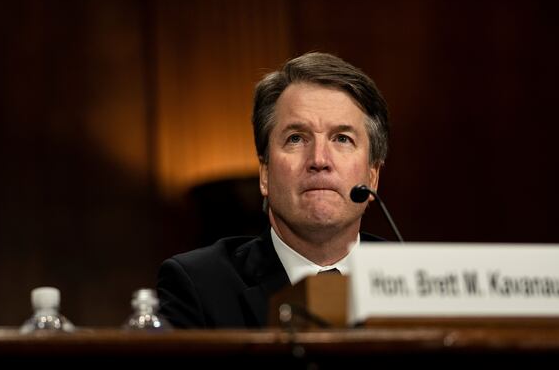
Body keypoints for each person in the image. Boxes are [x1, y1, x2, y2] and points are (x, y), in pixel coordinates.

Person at [155, 52, 390, 328]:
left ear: (372, 176)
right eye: (296, 138)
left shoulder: (420, 280)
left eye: (342, 138)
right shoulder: (198, 286)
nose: (319, 160)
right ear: (265, 173)